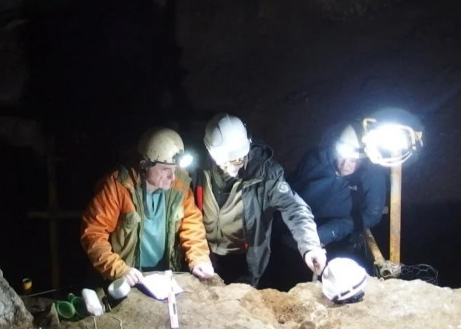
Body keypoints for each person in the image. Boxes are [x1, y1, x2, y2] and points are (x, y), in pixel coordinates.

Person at [195, 113, 326, 286]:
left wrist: (310, 246)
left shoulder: (265, 174)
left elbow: (294, 208)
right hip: (204, 254)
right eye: (226, 161)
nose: (234, 165)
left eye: (238, 159)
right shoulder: (197, 166)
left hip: (242, 260)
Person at [81, 127, 216, 287]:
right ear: (144, 165)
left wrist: (199, 258)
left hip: (166, 277)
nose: (172, 176)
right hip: (129, 277)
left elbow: (192, 224)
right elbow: (93, 234)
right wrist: (118, 269)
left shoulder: (179, 183)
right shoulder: (118, 187)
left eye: (174, 169)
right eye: (165, 169)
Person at [291, 122, 388, 271]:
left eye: (353, 160)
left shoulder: (372, 176)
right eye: (342, 156)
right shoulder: (315, 159)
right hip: (299, 229)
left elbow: (372, 215)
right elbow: (293, 189)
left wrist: (330, 232)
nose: (344, 165)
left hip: (341, 239)